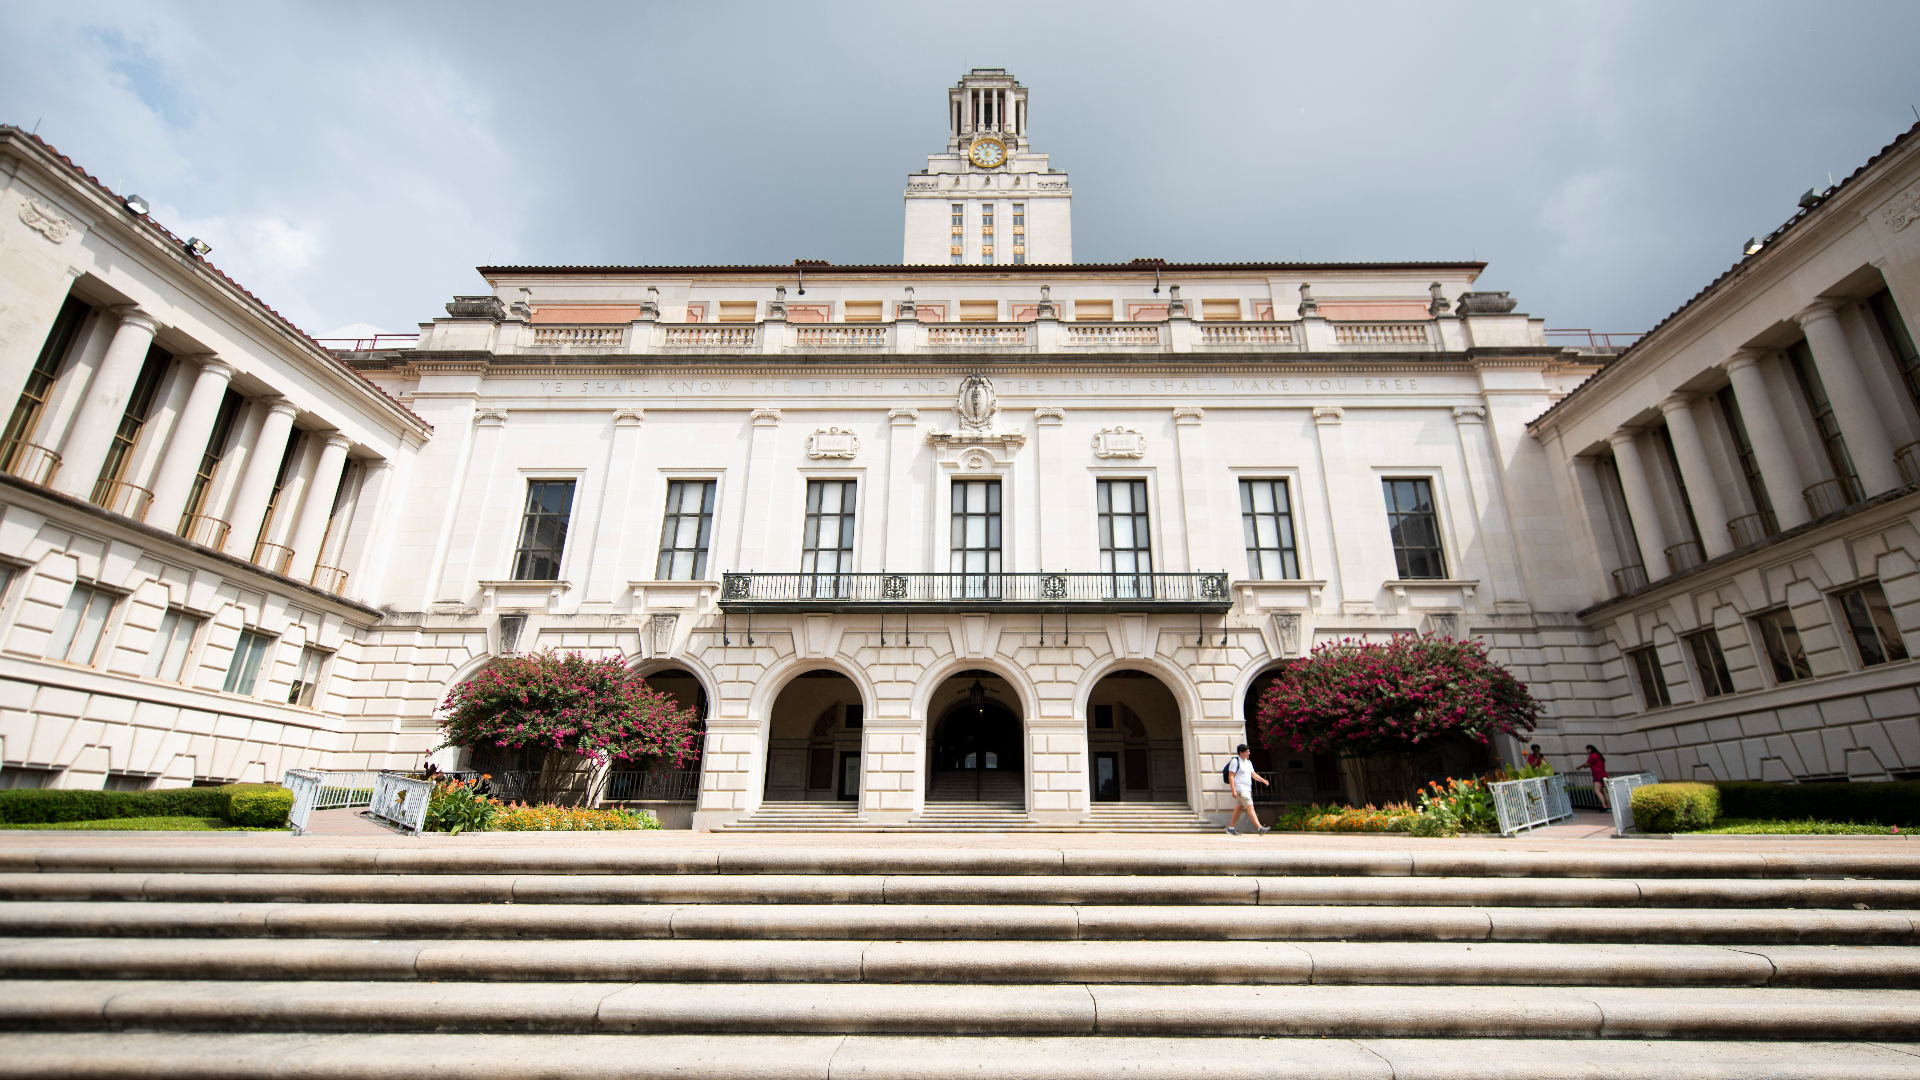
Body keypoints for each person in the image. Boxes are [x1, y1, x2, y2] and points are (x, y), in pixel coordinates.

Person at [1224, 743, 1270, 835]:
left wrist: (1263, 780)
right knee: (1250, 806)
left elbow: (1253, 774)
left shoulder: (1248, 762)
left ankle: (1231, 828)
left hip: (1247, 789)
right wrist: (1233, 790)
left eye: (1249, 752)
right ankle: (1260, 828)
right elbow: (1231, 776)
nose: (1249, 753)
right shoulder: (1235, 761)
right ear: (1241, 752)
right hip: (1240, 788)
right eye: (1247, 752)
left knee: (1239, 807)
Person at [1584, 744, 1610, 811]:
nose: (1587, 752)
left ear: (1590, 749)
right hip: (1605, 775)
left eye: (1588, 750)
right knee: (1605, 792)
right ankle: (1609, 807)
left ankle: (1604, 806)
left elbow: (1587, 764)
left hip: (1598, 775)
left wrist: (1580, 766)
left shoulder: (1593, 755)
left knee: (1597, 791)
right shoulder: (1599, 755)